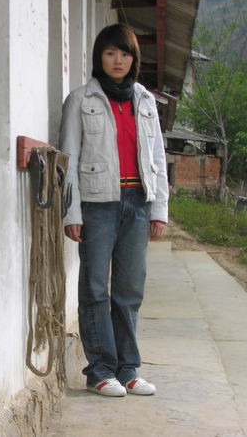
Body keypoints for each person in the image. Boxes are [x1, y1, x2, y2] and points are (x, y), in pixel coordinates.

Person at [59, 23, 169, 397]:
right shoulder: (81, 100)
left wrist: (159, 208)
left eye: (124, 53)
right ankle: (100, 371)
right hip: (97, 205)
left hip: (138, 203)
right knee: (94, 288)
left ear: (134, 59)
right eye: (110, 53)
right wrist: (72, 212)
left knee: (129, 290)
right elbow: (69, 159)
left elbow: (157, 158)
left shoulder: (145, 101)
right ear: (99, 57)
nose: (118, 60)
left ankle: (128, 369)